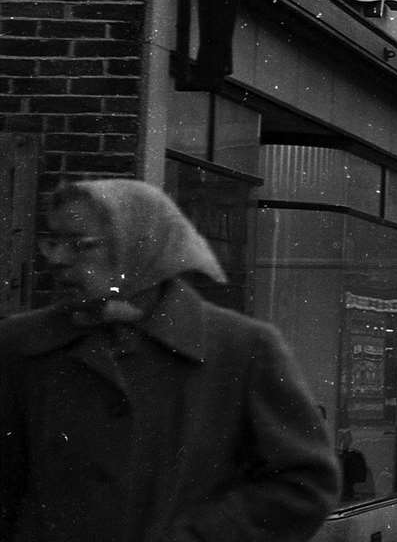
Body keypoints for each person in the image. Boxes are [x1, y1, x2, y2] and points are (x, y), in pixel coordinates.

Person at [0, 178, 339, 541]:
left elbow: (303, 485)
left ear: (140, 247)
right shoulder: (19, 345)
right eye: (52, 242)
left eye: (81, 245)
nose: (57, 260)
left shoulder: (241, 349)